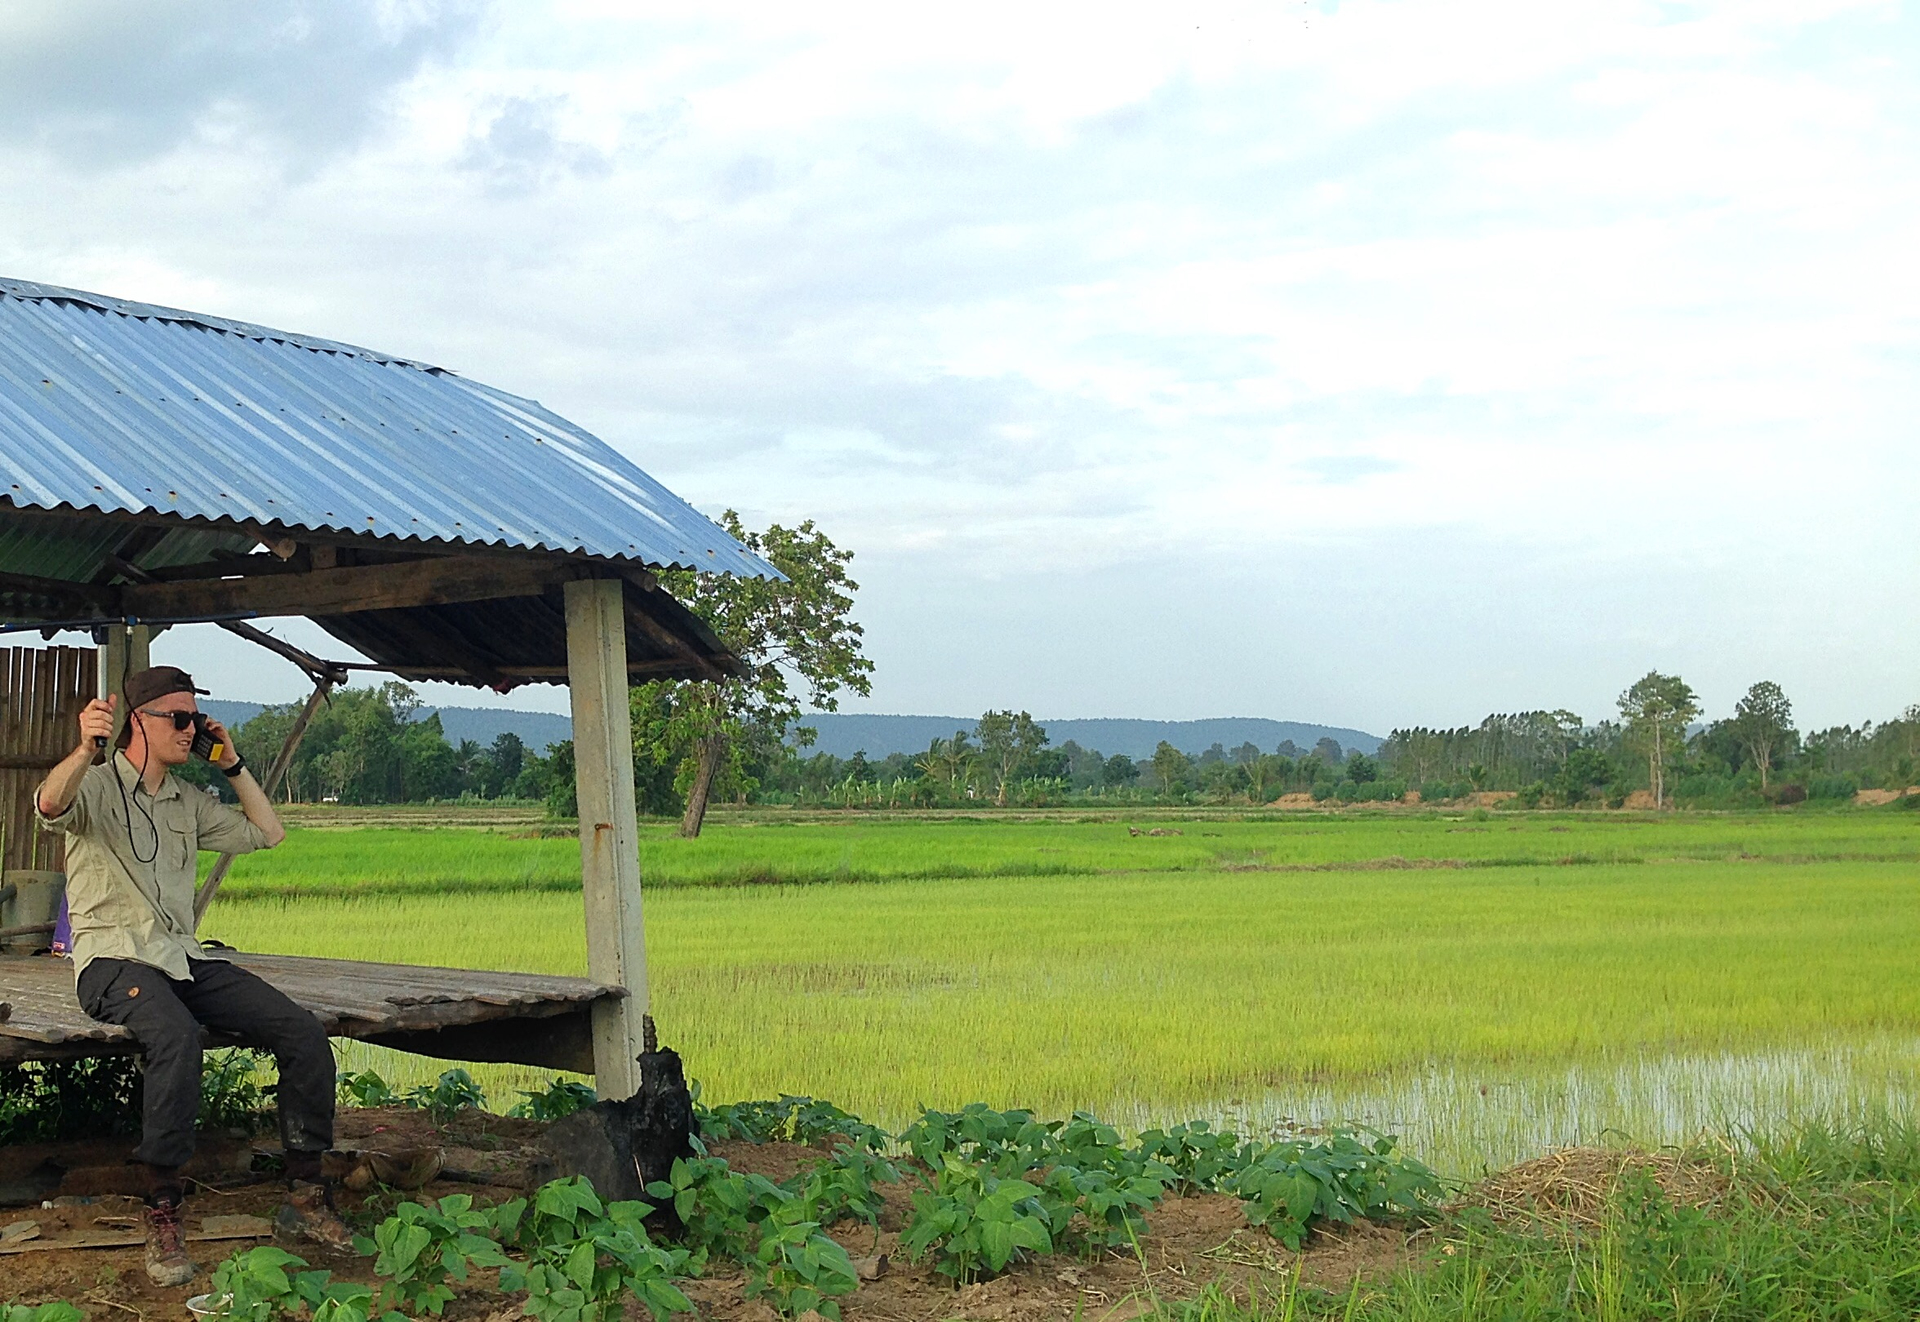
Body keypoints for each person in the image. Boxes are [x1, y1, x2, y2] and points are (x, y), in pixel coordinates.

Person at [35, 665, 352, 1286]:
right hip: (112, 960)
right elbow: (49, 804)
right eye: (178, 720)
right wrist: (82, 749)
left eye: (194, 720)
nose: (190, 731)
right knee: (176, 1037)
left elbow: (269, 831)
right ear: (139, 723)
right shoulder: (96, 788)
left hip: (181, 957)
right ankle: (162, 1208)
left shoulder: (189, 802)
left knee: (301, 1030)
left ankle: (306, 1196)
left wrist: (231, 763)